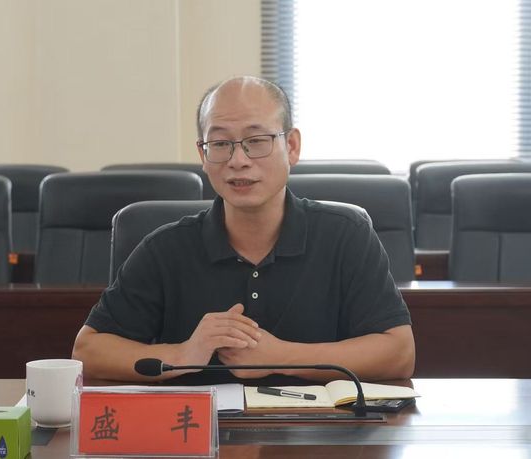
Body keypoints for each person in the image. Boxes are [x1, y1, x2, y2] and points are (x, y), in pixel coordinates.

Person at [72, 76, 415, 385]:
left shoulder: (346, 235)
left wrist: (280, 356)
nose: (238, 160)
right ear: (202, 154)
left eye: (256, 140)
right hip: (199, 430)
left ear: (292, 146)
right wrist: (183, 354)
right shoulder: (165, 249)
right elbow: (88, 351)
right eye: (221, 144)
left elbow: (398, 353)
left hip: (320, 428)